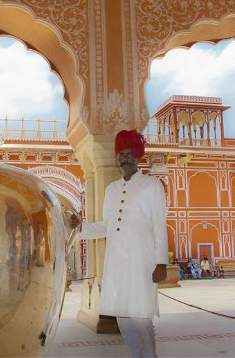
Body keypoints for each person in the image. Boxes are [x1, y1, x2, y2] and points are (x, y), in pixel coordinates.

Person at [71, 129, 168, 358]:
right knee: (122, 315)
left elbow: (159, 226)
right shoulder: (111, 190)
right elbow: (106, 226)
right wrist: (78, 227)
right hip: (115, 262)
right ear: (116, 159)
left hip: (141, 262)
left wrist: (161, 262)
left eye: (128, 153)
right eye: (120, 155)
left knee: (141, 315)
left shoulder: (152, 185)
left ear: (137, 155)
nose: (124, 158)